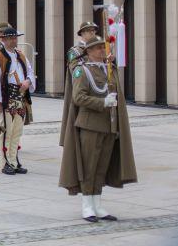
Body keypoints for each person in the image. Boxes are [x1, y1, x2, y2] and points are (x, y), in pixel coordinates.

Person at [59, 36, 137, 222]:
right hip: (90, 125)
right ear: (89, 52)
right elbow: (78, 98)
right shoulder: (82, 71)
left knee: (101, 167)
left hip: (108, 125)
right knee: (89, 167)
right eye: (98, 48)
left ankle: (97, 204)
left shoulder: (109, 70)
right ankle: (87, 205)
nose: (102, 50)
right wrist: (102, 102)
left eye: (103, 47)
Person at [0, 27, 35, 175]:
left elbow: (30, 72)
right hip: (7, 97)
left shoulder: (21, 55)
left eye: (15, 38)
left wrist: (28, 81)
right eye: (10, 38)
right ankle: (5, 162)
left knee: (17, 132)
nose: (14, 40)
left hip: (20, 97)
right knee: (6, 131)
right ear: (3, 40)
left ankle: (14, 160)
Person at [60, 22, 99, 146]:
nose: (92, 33)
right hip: (80, 88)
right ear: (82, 34)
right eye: (88, 31)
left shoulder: (98, 49)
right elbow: (75, 68)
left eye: (93, 31)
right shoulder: (76, 51)